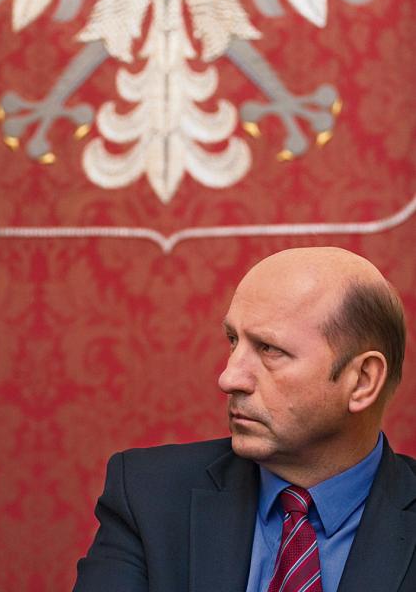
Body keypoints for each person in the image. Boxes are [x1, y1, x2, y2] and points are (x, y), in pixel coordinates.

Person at [73, 247, 416, 592]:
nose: (229, 378)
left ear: (362, 381)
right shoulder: (149, 495)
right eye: (233, 340)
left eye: (269, 349)